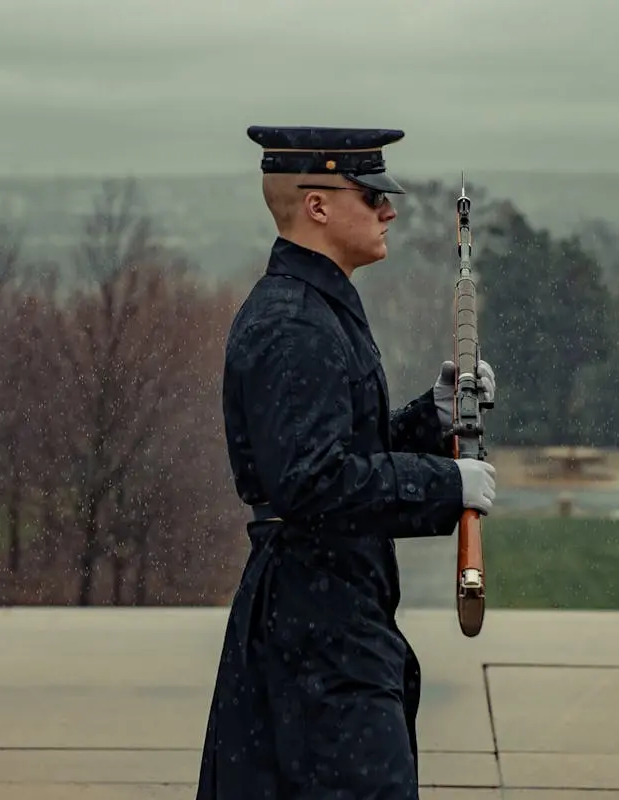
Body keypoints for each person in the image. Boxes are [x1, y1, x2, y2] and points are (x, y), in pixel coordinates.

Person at [196, 125, 498, 800]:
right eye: (371, 195)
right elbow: (312, 482)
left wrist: (433, 420)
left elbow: (332, 450)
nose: (388, 208)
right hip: (317, 628)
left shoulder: (315, 307)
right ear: (318, 206)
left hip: (326, 609)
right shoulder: (296, 324)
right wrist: (445, 484)